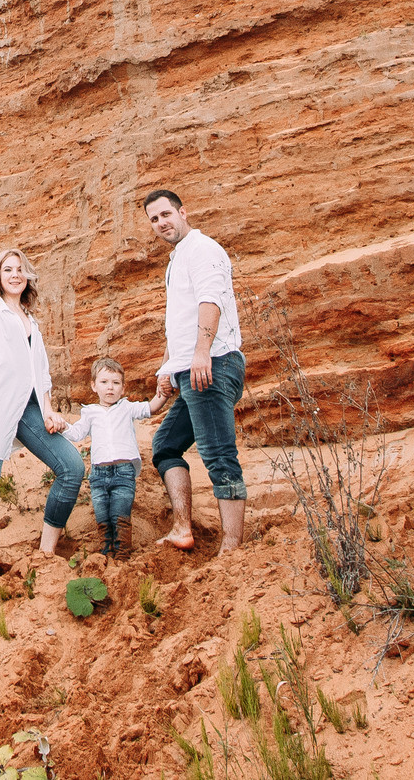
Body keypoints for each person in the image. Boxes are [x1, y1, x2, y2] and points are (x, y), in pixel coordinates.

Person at [0, 248, 85, 581]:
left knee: (71, 468)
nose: (15, 274)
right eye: (7, 269)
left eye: (20, 269)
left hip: (29, 408)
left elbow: (39, 374)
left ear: (27, 277)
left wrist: (49, 410)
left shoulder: (31, 320)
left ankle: (45, 554)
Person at [145, 188, 247, 555]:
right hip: (192, 368)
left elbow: (211, 300)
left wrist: (202, 352)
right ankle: (182, 528)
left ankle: (233, 546)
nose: (161, 223)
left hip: (213, 363)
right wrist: (167, 368)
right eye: (154, 219)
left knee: (219, 454)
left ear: (183, 212)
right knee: (165, 446)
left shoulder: (202, 249)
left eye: (165, 214)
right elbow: (181, 323)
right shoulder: (177, 259)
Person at [62, 356, 162, 558]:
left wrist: (163, 390)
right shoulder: (89, 412)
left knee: (120, 515)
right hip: (98, 475)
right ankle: (106, 555)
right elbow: (76, 433)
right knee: (103, 518)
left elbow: (151, 408)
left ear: (123, 388)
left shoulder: (126, 407)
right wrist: (59, 425)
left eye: (116, 383)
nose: (110, 388)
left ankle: (123, 555)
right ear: (93, 386)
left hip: (124, 473)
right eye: (104, 382)